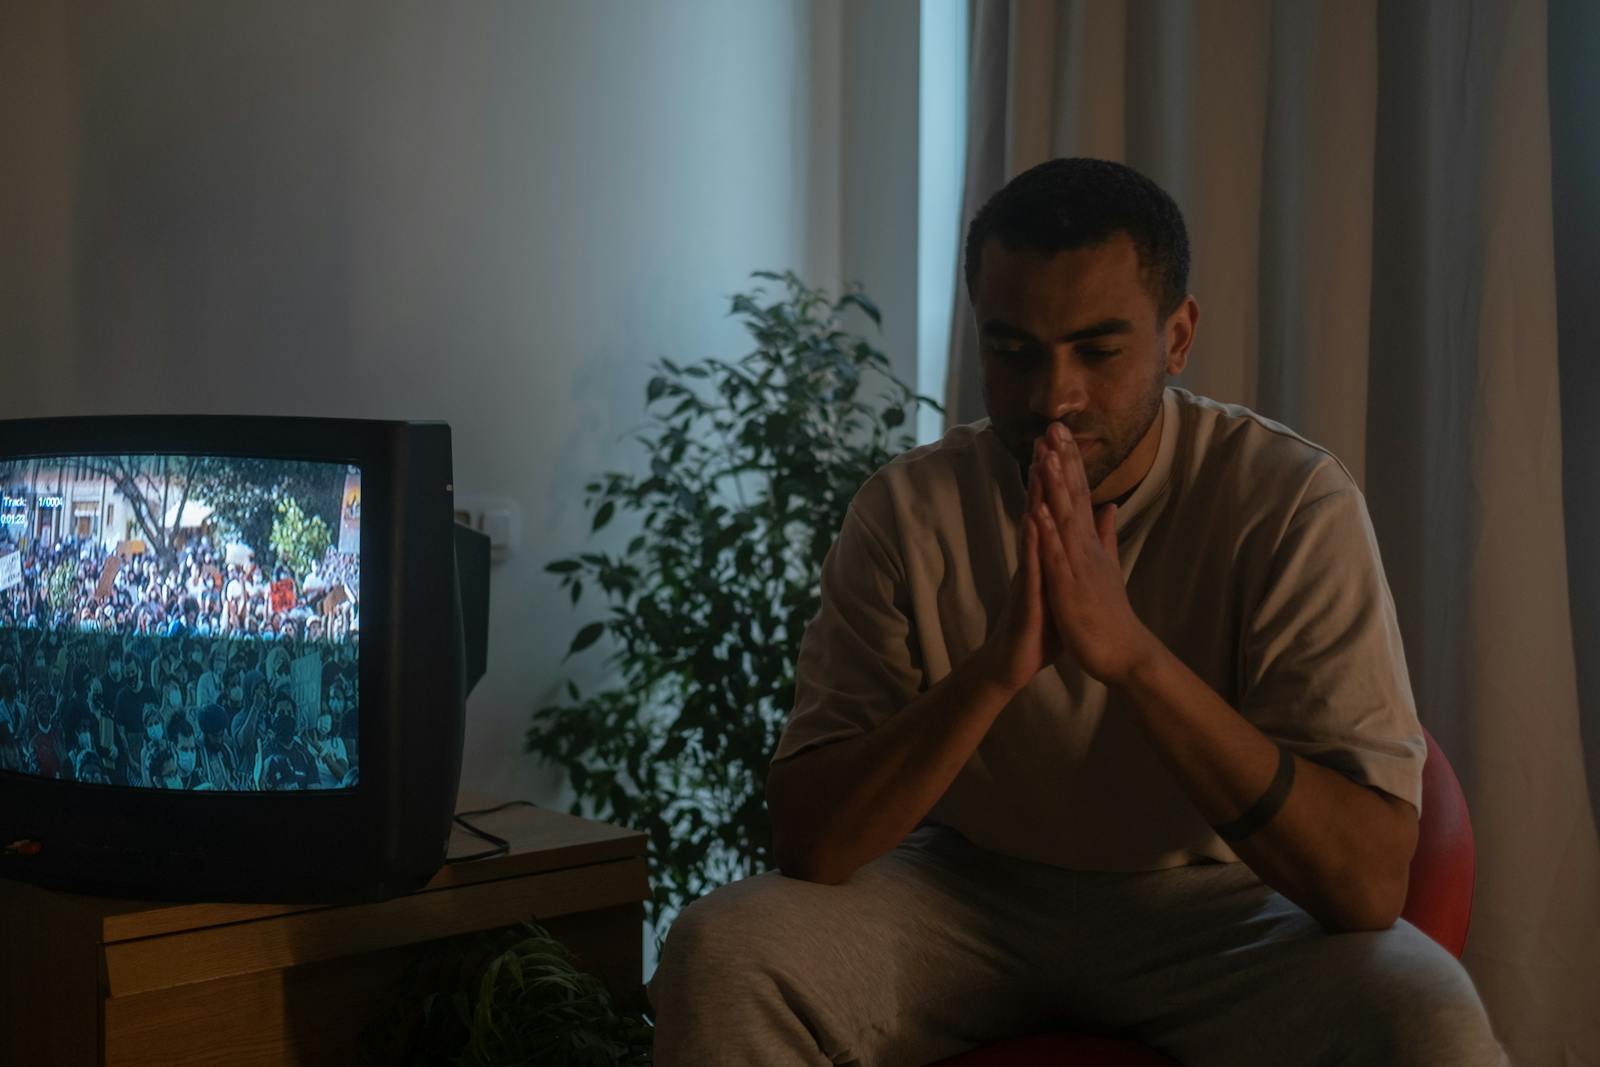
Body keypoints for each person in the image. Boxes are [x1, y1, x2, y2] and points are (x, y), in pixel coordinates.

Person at [648, 159, 1509, 1066]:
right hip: (958, 896)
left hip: (1217, 904)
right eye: (1012, 351)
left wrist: (1132, 657)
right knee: (726, 949)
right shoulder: (904, 511)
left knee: (1426, 1014)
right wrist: (996, 669)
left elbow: (1370, 882)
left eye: (1098, 351)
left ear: (1178, 337)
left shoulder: (1291, 502)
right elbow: (812, 845)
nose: (1051, 397)